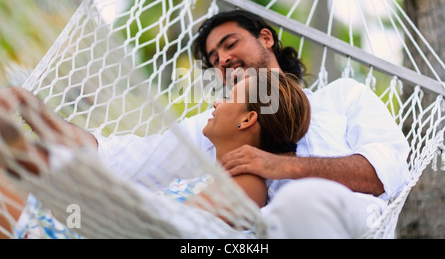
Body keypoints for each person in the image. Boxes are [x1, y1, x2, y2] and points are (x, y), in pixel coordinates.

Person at [0, 9, 410, 238]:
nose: (223, 60)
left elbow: (385, 170)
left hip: (343, 225)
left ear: (266, 39)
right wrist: (41, 117)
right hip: (239, 236)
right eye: (214, 59)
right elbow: (120, 157)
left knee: (303, 203)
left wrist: (282, 167)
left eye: (230, 44)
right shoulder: (213, 130)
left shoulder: (345, 97)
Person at [0, 70, 310, 238]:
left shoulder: (248, 183)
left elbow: (166, 228)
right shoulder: (221, 177)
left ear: (247, 120)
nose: (216, 104)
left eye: (228, 98)